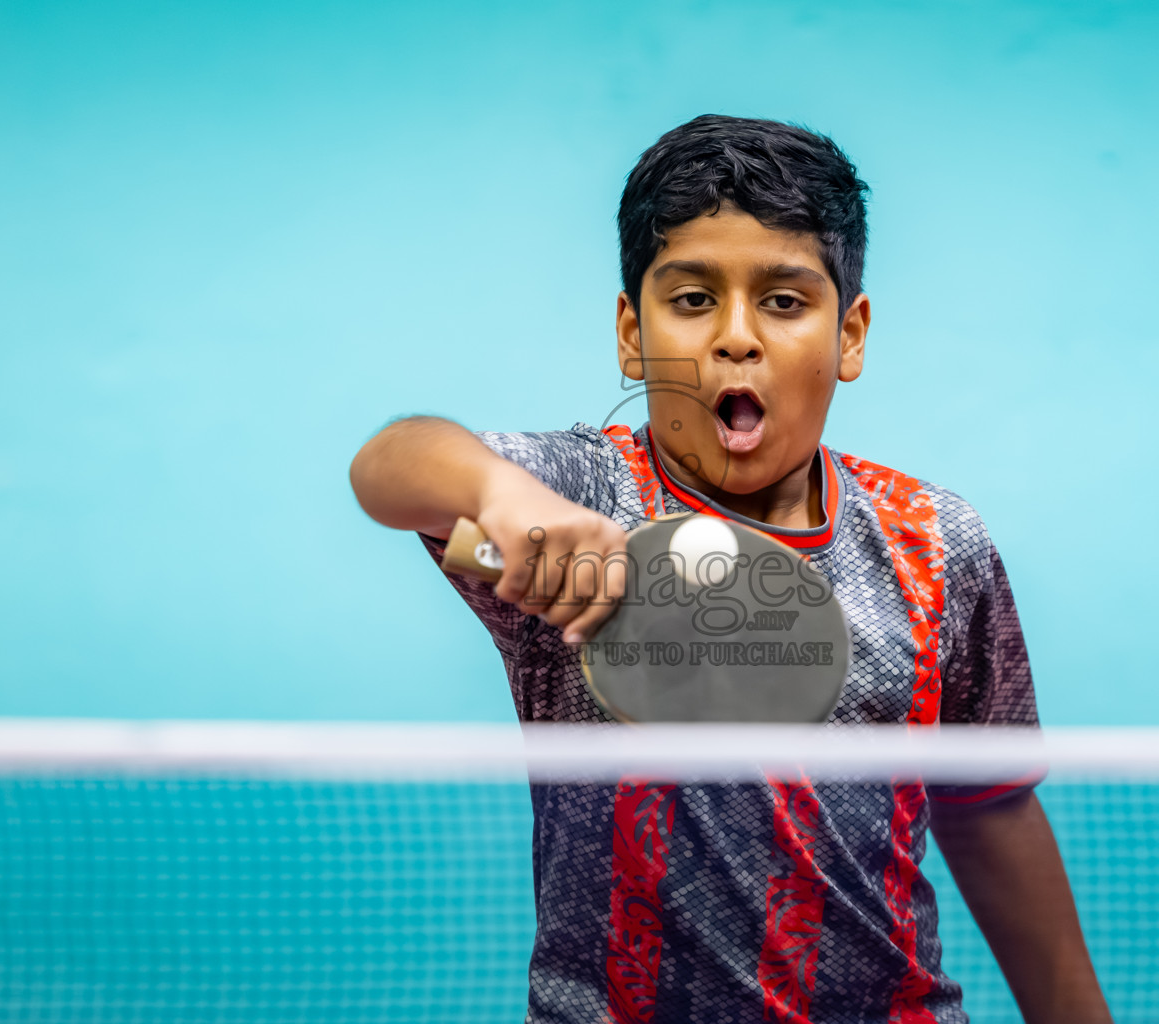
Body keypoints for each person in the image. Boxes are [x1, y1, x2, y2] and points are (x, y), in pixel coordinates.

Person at [350, 114, 1110, 1023]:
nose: (736, 338)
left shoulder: (935, 542)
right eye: (691, 299)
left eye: (784, 302)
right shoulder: (588, 496)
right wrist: (502, 495)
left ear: (850, 335)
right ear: (631, 334)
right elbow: (393, 463)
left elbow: (988, 805)